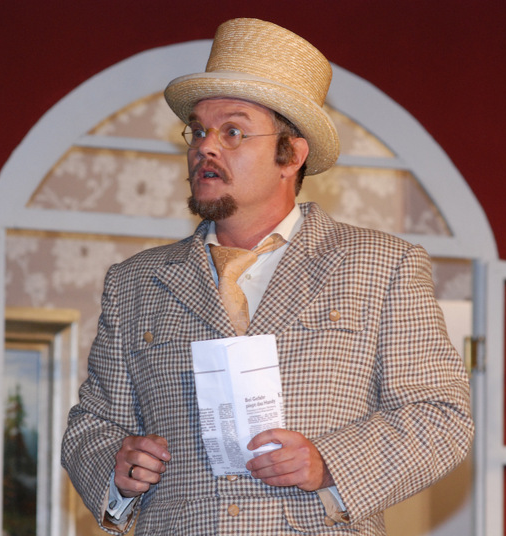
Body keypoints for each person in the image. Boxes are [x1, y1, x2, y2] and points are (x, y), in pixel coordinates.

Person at [61, 18, 473, 536]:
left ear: (291, 155)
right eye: (198, 130)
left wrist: (329, 463)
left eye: (233, 131)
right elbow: (93, 424)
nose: (206, 147)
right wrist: (115, 467)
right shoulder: (135, 283)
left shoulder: (382, 265)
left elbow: (441, 415)